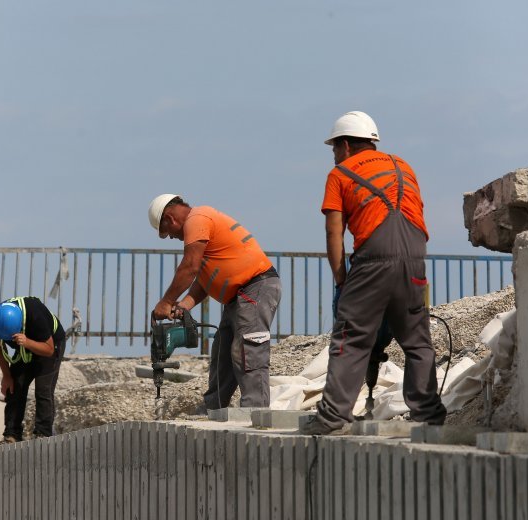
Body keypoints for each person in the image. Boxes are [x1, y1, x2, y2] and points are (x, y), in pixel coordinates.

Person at [301, 111, 447, 435]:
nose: (335, 156)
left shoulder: (340, 174)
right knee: (417, 338)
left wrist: (342, 279)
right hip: (415, 257)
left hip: (374, 258)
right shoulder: (403, 166)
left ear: (346, 145)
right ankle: (429, 414)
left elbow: (333, 233)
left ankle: (331, 417)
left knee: (350, 338)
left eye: (335, 149)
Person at [148, 194, 282, 411]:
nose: (172, 238)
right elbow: (203, 280)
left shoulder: (198, 218)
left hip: (255, 287)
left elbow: (189, 267)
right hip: (237, 298)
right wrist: (184, 305)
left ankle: (255, 414)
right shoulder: (201, 232)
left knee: (248, 350)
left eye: (167, 234)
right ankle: (212, 410)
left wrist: (166, 301)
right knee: (223, 353)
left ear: (169, 219)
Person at [0, 296, 66, 442]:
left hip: (49, 345)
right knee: (15, 385)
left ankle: (43, 434)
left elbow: (48, 350)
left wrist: (27, 342)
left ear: (20, 326)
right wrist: (6, 376)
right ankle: (11, 434)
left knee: (43, 389)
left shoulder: (35, 315)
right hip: (23, 346)